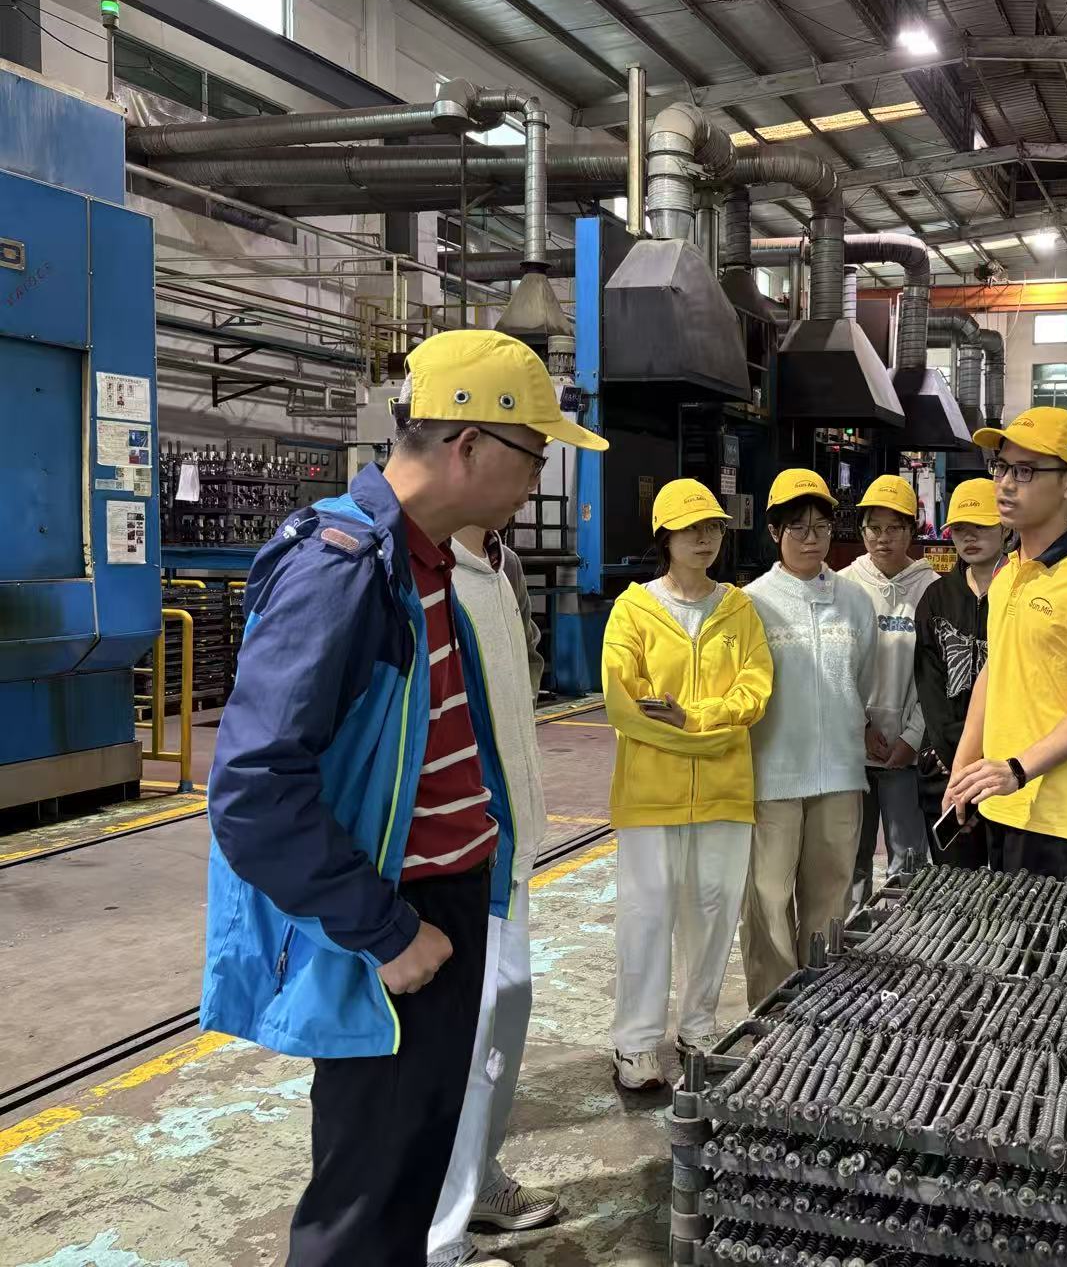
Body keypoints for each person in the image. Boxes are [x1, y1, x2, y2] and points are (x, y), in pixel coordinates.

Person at [201, 329, 607, 1266]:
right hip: (394, 923)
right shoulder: (342, 569)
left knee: (412, 1177)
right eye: (533, 454)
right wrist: (384, 931)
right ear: (467, 445)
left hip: (445, 907)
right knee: (365, 1206)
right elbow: (254, 789)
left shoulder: (429, 564)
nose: (538, 480)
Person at [603, 480, 774, 1090]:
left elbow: (755, 691)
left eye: (714, 528)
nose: (705, 539)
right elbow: (625, 703)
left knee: (714, 910)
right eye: (692, 528)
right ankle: (636, 1044)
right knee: (646, 915)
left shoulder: (739, 609)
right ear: (665, 537)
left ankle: (698, 1028)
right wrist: (712, 733)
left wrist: (692, 721)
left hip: (725, 792)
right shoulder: (633, 611)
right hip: (651, 794)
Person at [428, 523, 557, 1267]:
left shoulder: (498, 568)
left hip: (511, 839)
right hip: (465, 850)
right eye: (526, 465)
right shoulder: (427, 572)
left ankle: (476, 1176)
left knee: (504, 1016)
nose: (531, 481)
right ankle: (439, 1237)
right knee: (466, 1038)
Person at [945, 407, 1067, 879]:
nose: (1006, 484)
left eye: (1026, 471)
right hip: (998, 798)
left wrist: (1018, 769)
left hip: (1057, 815)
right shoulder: (1008, 573)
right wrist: (963, 769)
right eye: (1002, 467)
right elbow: (994, 672)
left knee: (1050, 930)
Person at [741, 468, 877, 1006]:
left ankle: (819, 1007)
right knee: (768, 899)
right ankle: (772, 1012)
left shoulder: (854, 600)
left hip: (839, 773)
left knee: (831, 898)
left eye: (820, 527)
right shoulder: (751, 603)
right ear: (774, 532)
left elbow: (863, 678)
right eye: (797, 527)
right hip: (772, 774)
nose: (810, 538)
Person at [845, 474, 939, 905]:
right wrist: (860, 726)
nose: (883, 538)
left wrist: (912, 738)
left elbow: (936, 676)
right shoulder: (843, 585)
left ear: (911, 530)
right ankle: (847, 937)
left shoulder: (932, 590)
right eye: (874, 528)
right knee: (850, 858)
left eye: (894, 528)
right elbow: (837, 669)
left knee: (908, 859)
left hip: (905, 754)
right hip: (852, 751)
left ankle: (900, 939)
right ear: (862, 531)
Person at [914, 478, 1006, 869]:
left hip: (1006, 768)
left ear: (1005, 527)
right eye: (959, 529)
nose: (969, 537)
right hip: (944, 766)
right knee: (955, 884)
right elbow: (930, 686)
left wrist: (996, 762)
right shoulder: (936, 599)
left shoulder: (1024, 594)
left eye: (981, 526)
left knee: (1012, 887)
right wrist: (958, 763)